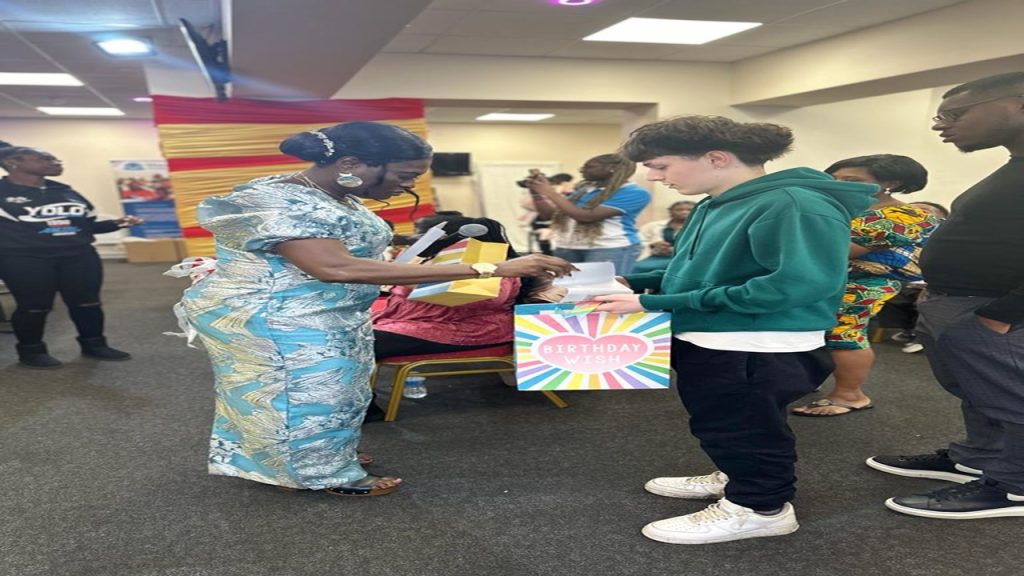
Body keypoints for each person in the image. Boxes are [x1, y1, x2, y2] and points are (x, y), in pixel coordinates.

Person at [176, 122, 573, 497]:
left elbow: (341, 244)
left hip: (324, 311)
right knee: (309, 392)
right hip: (277, 316)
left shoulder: (330, 194)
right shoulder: (281, 202)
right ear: (350, 163)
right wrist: (492, 268)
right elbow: (334, 267)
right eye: (404, 175)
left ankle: (308, 453)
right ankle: (314, 471)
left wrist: (418, 249)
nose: (409, 185)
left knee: (335, 390)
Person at [591, 115, 874, 544]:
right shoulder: (714, 202)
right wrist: (637, 281)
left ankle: (761, 508)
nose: (653, 177)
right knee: (725, 422)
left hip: (758, 341)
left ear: (717, 158)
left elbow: (795, 285)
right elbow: (702, 271)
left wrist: (654, 303)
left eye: (661, 166)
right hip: (712, 332)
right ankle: (734, 474)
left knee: (746, 428)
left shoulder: (793, 204)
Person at [866, 72, 1024, 519]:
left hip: (994, 308)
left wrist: (1004, 313)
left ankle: (1014, 486)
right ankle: (980, 458)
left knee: (1013, 399)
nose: (940, 125)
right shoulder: (1014, 166)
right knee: (980, 391)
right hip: (958, 300)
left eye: (955, 114)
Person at [791, 155, 939, 417]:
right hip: (821, 279)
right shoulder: (844, 208)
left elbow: (841, 249)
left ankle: (850, 395)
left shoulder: (905, 215)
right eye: (835, 179)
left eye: (852, 180)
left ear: (891, 183)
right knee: (807, 331)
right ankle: (806, 380)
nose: (839, 185)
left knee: (843, 331)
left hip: (864, 282)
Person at [0, 142, 142, 368]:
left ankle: (94, 344)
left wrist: (116, 223)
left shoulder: (66, 191)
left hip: (79, 255)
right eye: (44, 158)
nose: (55, 162)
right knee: (34, 306)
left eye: (55, 159)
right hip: (24, 258)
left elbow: (88, 225)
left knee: (87, 303)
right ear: (12, 163)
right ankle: (31, 351)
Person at [526, 154, 650, 274]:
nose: (582, 170)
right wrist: (536, 194)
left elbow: (586, 217)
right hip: (567, 246)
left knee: (603, 287)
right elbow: (550, 215)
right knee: (567, 286)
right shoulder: (584, 190)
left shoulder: (634, 192)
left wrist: (550, 192)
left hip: (609, 248)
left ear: (612, 168)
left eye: (590, 167)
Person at [632, 200, 695, 273]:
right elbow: (638, 241)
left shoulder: (700, 227)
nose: (684, 212)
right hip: (655, 257)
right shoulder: (652, 226)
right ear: (670, 211)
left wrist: (677, 250)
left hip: (685, 258)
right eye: (679, 210)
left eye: (689, 210)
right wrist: (653, 245)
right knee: (637, 267)